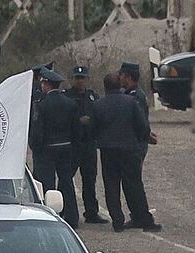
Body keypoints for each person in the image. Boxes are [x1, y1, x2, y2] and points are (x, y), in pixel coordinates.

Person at [94, 73, 158, 232]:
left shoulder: (98, 105)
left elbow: (93, 128)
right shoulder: (130, 102)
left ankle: (117, 220)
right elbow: (142, 126)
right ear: (119, 85)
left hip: (108, 150)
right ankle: (142, 217)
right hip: (129, 149)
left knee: (111, 185)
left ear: (105, 87)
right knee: (134, 184)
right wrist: (141, 139)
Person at [28, 69, 80, 227]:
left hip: (47, 150)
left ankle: (49, 215)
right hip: (66, 147)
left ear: (46, 84)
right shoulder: (71, 103)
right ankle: (71, 217)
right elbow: (76, 130)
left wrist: (35, 147)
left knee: (47, 184)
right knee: (66, 182)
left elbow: (38, 130)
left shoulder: (42, 105)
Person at [66, 65, 105, 225]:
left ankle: (91, 212)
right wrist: (78, 121)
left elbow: (99, 116)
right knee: (67, 178)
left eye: (83, 78)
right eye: (77, 78)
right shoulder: (67, 97)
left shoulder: (92, 97)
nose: (80, 81)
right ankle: (67, 211)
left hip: (89, 144)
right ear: (73, 79)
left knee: (89, 179)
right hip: (74, 144)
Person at [119, 62, 158, 156]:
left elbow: (139, 120)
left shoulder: (135, 96)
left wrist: (147, 135)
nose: (119, 78)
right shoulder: (129, 94)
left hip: (135, 144)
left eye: (121, 75)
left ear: (128, 77)